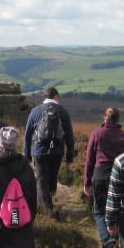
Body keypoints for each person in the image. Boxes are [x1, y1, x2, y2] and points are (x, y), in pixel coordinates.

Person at [84, 107, 124, 248]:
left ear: (105, 118)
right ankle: (112, 244)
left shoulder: (97, 133)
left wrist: (87, 181)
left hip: (100, 175)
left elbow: (90, 159)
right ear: (118, 119)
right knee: (116, 211)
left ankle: (107, 240)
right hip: (120, 176)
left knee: (98, 211)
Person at [22, 87, 74, 215]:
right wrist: (69, 156)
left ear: (44, 97)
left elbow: (27, 134)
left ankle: (47, 209)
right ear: (56, 97)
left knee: (41, 179)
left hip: (39, 151)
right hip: (57, 151)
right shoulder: (63, 112)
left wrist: (26, 155)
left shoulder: (35, 111)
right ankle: (49, 207)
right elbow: (69, 136)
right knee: (52, 177)